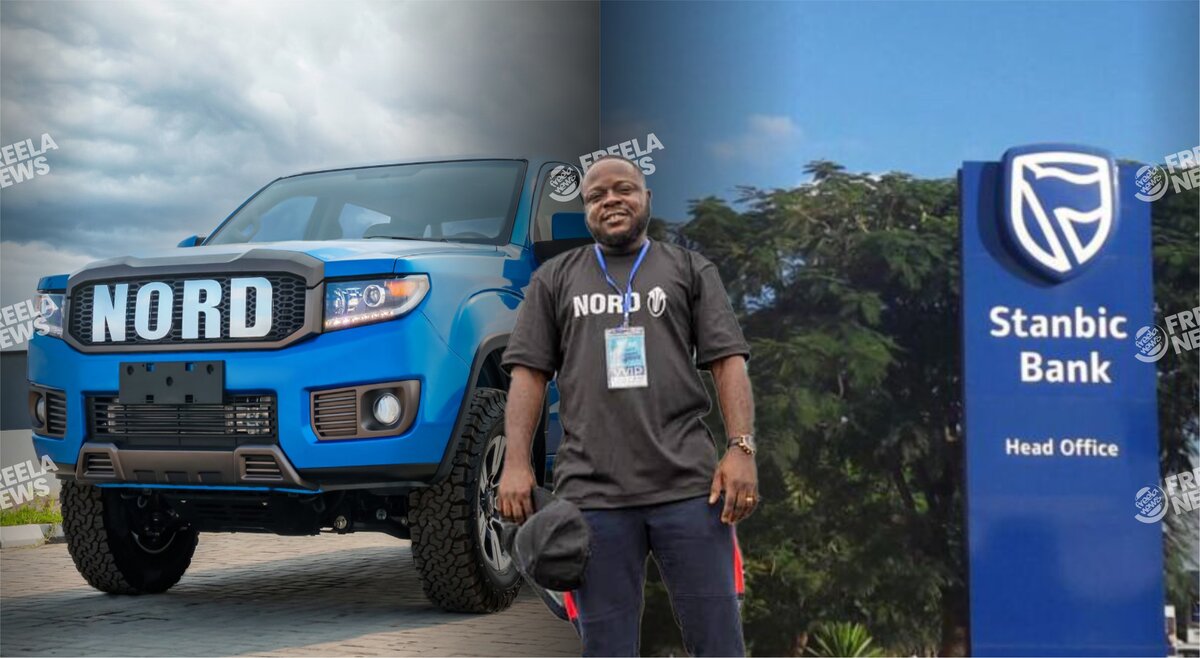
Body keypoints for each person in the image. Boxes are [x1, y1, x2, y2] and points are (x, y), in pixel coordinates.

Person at [499, 154, 758, 656]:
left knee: (720, 642)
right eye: (596, 196)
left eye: (624, 189)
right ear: (585, 210)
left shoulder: (688, 268)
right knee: (606, 647)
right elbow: (527, 375)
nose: (611, 200)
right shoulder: (553, 280)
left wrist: (741, 448)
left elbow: (729, 361)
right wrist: (515, 464)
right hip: (592, 497)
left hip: (689, 489)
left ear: (646, 200)